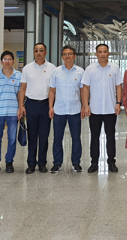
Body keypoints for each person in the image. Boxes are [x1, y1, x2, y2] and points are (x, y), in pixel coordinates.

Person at [81, 44, 123, 173]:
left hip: (110, 109)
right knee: (94, 137)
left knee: (111, 137)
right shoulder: (90, 69)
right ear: (96, 54)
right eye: (100, 52)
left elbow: (118, 86)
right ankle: (94, 163)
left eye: (105, 51)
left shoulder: (115, 68)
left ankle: (111, 162)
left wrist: (118, 103)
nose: (102, 54)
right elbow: (85, 88)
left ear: (108, 53)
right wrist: (86, 105)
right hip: (95, 109)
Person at [18, 43, 56, 174]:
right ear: (33, 53)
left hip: (46, 104)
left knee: (44, 135)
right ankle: (31, 163)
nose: (38, 53)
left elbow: (53, 89)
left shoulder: (52, 68)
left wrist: (51, 106)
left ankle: (42, 163)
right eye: (36, 51)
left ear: (45, 52)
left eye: (41, 50)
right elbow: (23, 88)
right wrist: (21, 106)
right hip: (31, 104)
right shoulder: (27, 68)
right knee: (32, 135)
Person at [48, 45, 84, 173]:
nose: (67, 56)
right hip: (59, 110)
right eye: (65, 54)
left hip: (75, 109)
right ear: (62, 57)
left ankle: (76, 162)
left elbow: (83, 90)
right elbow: (52, 90)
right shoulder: (56, 71)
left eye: (69, 54)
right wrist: (50, 107)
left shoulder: (80, 71)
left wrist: (84, 106)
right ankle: (57, 163)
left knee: (76, 138)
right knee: (57, 138)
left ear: (74, 56)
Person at [0, 51, 22, 174]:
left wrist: (20, 108)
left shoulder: (19, 75)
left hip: (13, 112)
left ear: (13, 61)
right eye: (5, 59)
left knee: (12, 139)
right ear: (1, 61)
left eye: (9, 59)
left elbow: (20, 94)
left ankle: (9, 162)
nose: (7, 61)